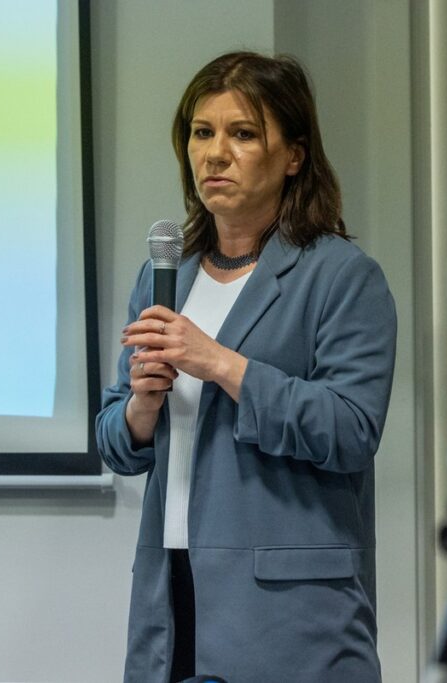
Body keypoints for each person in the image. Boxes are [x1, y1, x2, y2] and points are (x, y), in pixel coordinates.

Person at [96, 51, 397, 683]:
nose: (214, 153)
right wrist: (141, 408)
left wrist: (221, 364)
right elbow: (119, 445)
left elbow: (350, 431)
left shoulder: (341, 277)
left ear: (293, 156)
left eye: (243, 133)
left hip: (288, 612)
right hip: (171, 592)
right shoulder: (162, 278)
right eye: (201, 133)